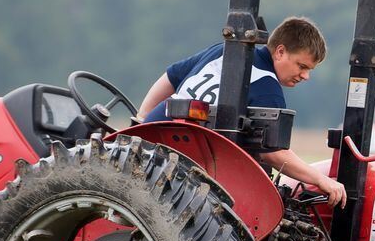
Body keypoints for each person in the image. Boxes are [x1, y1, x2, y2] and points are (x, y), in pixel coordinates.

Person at [137, 17, 347, 207]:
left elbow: (171, 77)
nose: (305, 76)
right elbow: (274, 153)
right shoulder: (266, 86)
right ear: (280, 51)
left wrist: (142, 119)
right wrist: (321, 179)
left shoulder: (225, 50)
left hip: (145, 147)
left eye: (309, 70)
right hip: (180, 166)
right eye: (302, 66)